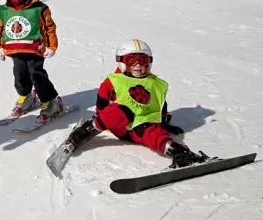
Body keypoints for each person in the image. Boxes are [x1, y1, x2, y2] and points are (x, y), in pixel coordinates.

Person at [64, 40, 208, 168]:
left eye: (143, 60)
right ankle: (85, 130)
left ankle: (180, 152)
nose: (138, 64)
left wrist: (163, 121)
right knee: (120, 111)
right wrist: (100, 121)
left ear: (149, 62)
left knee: (153, 132)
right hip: (119, 125)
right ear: (122, 62)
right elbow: (101, 104)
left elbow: (159, 104)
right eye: (131, 60)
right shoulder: (115, 80)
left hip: (141, 127)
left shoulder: (154, 84)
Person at [0, 0, 63, 121]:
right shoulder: (5, 10)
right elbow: (2, 29)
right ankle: (26, 96)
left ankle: (51, 101)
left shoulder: (40, 8)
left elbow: (49, 28)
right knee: (19, 75)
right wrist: (0, 47)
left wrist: (52, 46)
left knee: (36, 74)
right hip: (15, 49)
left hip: (35, 49)